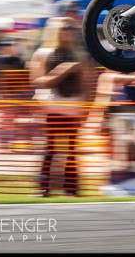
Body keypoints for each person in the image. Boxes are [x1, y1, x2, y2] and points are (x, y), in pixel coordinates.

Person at [29, 16, 87, 196]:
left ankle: (71, 189)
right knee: (51, 148)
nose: (68, 31)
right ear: (56, 31)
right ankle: (44, 188)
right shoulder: (43, 53)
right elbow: (37, 81)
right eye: (64, 28)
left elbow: (87, 85)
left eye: (71, 28)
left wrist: (85, 108)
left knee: (71, 149)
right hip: (52, 108)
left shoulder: (81, 55)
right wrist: (63, 70)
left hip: (73, 109)